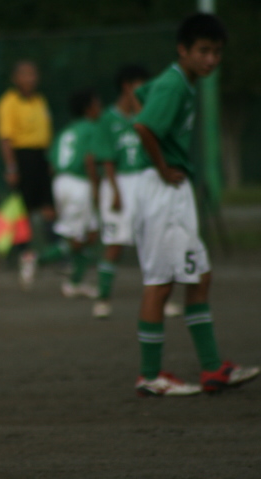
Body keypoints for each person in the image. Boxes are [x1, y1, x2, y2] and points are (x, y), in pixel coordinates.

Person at [132, 13, 259, 396]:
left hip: (171, 190)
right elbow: (143, 125)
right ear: (182, 50)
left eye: (217, 52)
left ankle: (212, 369)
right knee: (160, 283)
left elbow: (142, 94)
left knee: (199, 276)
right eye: (203, 51)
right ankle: (150, 376)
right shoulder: (174, 84)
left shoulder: (178, 82)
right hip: (162, 190)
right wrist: (162, 165)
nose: (211, 59)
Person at [92, 65, 183, 319]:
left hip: (146, 180)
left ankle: (160, 300)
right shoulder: (108, 118)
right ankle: (103, 299)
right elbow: (106, 159)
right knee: (115, 243)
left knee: (153, 242)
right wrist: (115, 191)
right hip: (120, 182)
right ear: (127, 86)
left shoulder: (146, 114)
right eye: (140, 84)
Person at [0, 60, 55, 288]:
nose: (31, 79)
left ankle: (56, 256)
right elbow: (5, 138)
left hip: (41, 158)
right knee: (23, 212)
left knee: (49, 209)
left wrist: (49, 159)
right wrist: (12, 167)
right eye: (26, 74)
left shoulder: (40, 100)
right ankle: (26, 257)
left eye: (33, 74)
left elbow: (46, 132)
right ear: (16, 78)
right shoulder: (8, 102)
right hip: (23, 158)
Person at [40, 88, 102, 299]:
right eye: (97, 104)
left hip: (60, 181)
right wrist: (96, 188)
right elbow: (90, 159)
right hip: (80, 183)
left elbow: (50, 164)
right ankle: (35, 259)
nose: (100, 108)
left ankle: (76, 282)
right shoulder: (92, 128)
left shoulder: (66, 131)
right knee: (77, 239)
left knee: (91, 234)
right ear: (89, 108)